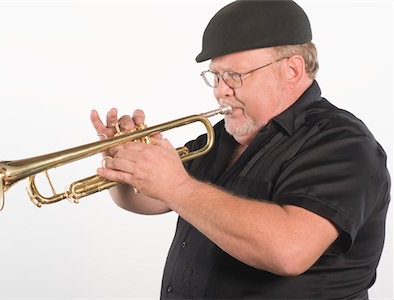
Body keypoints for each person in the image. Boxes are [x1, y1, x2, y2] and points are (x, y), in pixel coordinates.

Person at [90, 1, 390, 299]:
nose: (221, 90)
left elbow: (289, 250)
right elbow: (151, 200)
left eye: (235, 76)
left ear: (292, 70)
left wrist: (177, 186)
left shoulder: (344, 144)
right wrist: (122, 164)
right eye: (216, 76)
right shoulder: (225, 134)